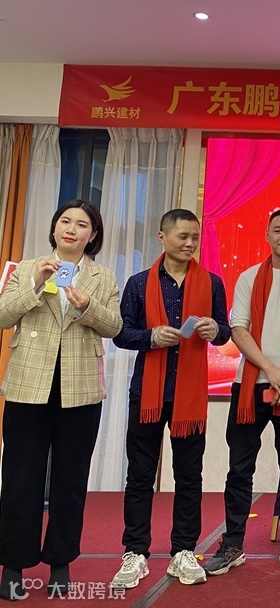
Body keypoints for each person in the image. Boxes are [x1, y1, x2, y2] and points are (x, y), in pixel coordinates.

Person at [0, 200, 123, 600]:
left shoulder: (103, 277)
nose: (72, 228)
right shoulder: (25, 268)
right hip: (28, 385)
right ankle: (13, 564)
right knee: (20, 478)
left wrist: (88, 306)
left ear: (93, 235)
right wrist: (35, 283)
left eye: (81, 224)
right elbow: (2, 316)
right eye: (65, 221)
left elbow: (115, 326)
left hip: (80, 389)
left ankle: (60, 562)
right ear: (54, 229)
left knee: (70, 480)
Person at [110, 209, 231, 589]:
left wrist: (214, 329)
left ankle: (183, 551)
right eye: (183, 236)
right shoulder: (138, 283)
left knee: (189, 476)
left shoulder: (211, 283)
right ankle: (135, 552)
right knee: (140, 476)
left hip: (189, 396)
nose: (190, 243)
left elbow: (225, 332)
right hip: (147, 393)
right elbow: (121, 333)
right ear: (162, 237)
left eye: (195, 237)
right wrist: (150, 337)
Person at [203, 209, 280, 577]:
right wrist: (272, 371)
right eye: (278, 230)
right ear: (268, 235)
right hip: (250, 387)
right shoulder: (248, 277)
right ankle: (232, 544)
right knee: (240, 470)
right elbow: (239, 329)